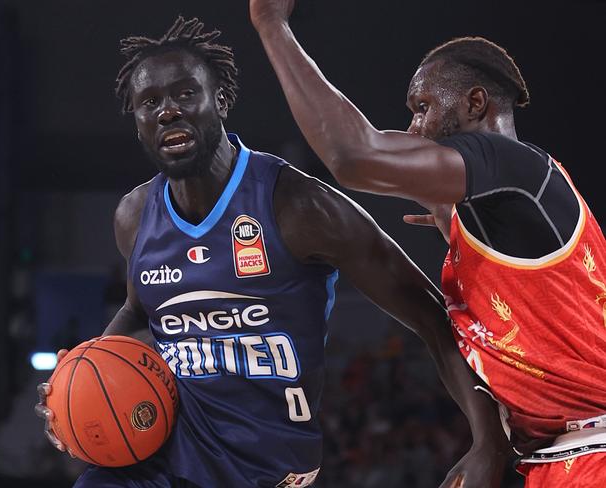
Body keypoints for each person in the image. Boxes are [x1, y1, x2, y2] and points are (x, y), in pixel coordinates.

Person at [36, 16, 510, 488]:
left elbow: (432, 316)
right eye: (150, 103)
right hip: (170, 449)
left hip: (265, 464)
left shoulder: (297, 205)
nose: (168, 111)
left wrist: (489, 442)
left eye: (185, 94)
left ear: (220, 102)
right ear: (138, 124)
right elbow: (140, 311)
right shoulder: (134, 217)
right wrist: (77, 376)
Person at [249, 1, 606, 487]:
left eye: (423, 107)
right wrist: (490, 443)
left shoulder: (514, 166)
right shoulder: (504, 206)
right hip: (555, 457)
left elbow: (354, 156)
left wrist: (271, 24)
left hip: (592, 450)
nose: (414, 126)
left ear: (475, 104)